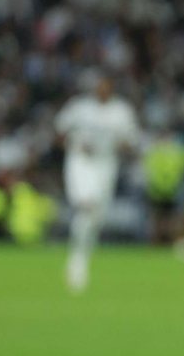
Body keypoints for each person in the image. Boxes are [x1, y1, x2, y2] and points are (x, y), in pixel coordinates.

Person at [54, 74, 139, 292]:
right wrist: (72, 145)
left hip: (105, 164)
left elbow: (130, 140)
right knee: (87, 206)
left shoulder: (121, 111)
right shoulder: (80, 107)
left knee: (97, 216)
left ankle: (82, 255)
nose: (103, 91)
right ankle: (77, 261)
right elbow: (59, 129)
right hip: (80, 161)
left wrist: (115, 146)